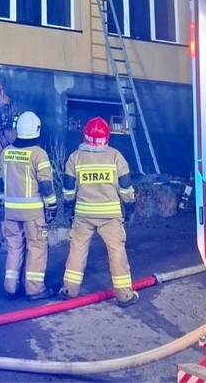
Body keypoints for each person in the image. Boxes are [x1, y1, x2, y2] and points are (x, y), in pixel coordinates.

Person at [60, 117, 139, 306]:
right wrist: (130, 205)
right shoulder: (115, 156)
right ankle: (124, 296)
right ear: (107, 137)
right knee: (117, 253)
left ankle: (70, 290)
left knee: (77, 250)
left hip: (83, 214)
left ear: (85, 135)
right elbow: (125, 187)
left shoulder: (75, 157)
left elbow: (69, 189)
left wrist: (68, 208)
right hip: (110, 216)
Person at [0, 111, 57, 300]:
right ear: (37, 130)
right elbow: (46, 184)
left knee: (15, 247)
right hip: (33, 213)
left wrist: (4, 199)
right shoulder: (39, 154)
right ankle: (35, 289)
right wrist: (52, 205)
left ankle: (11, 288)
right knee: (36, 246)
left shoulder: (6, 152)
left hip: (11, 212)